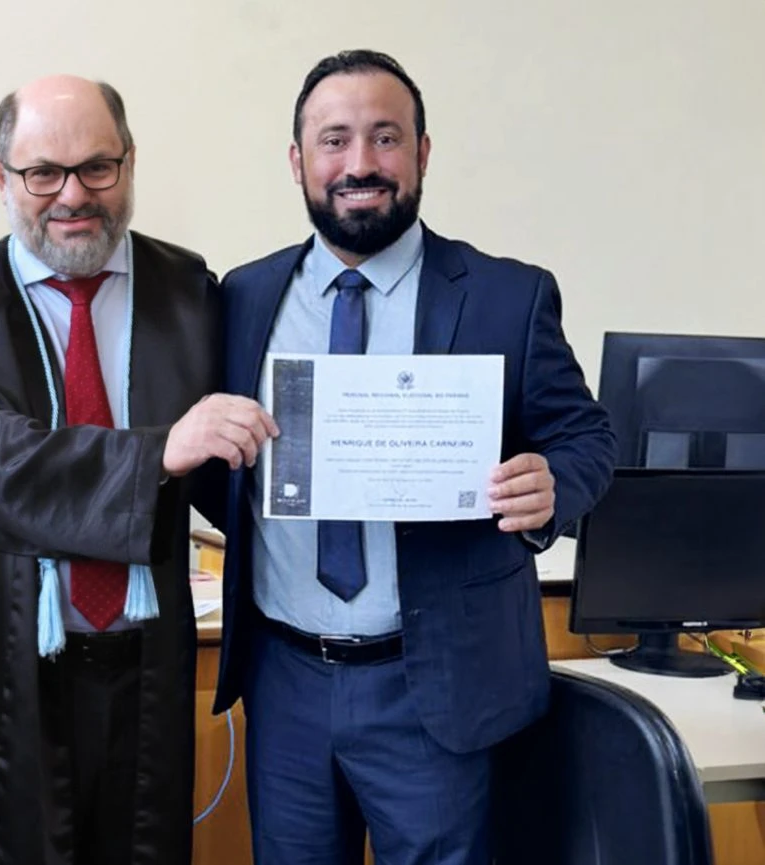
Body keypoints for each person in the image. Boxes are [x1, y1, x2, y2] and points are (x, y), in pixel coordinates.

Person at [212, 51, 617, 865]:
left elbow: (588, 440)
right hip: (284, 683)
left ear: (422, 153)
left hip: (435, 686)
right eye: (334, 140)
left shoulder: (506, 295)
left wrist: (552, 486)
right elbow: (218, 464)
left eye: (385, 137)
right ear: (297, 160)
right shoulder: (240, 296)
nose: (359, 163)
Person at [0, 74, 274, 865]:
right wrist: (157, 451)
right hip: (6, 666)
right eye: (43, 172)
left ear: (129, 163)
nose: (72, 195)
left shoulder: (187, 291)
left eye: (97, 167)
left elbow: (237, 462)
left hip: (147, 664)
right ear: (1, 177)